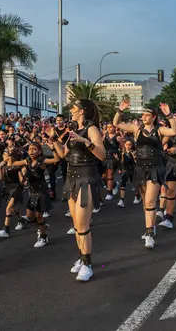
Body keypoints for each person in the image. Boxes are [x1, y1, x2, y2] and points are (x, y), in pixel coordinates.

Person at [48, 99, 106, 282]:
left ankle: (88, 264)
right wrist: (53, 141)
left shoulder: (91, 129)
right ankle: (82, 257)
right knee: (76, 224)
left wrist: (84, 141)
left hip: (86, 176)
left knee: (83, 224)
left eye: (73, 108)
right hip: (71, 177)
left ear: (82, 111)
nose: (70, 110)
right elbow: (64, 154)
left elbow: (102, 155)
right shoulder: (73, 129)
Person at [113, 102, 176, 249]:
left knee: (150, 201)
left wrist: (169, 114)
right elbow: (116, 123)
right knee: (145, 203)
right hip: (140, 168)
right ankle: (150, 227)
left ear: (154, 117)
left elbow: (175, 130)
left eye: (147, 115)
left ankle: (149, 234)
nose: (144, 117)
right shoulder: (137, 129)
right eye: (143, 115)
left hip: (155, 168)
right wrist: (120, 110)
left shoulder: (159, 130)